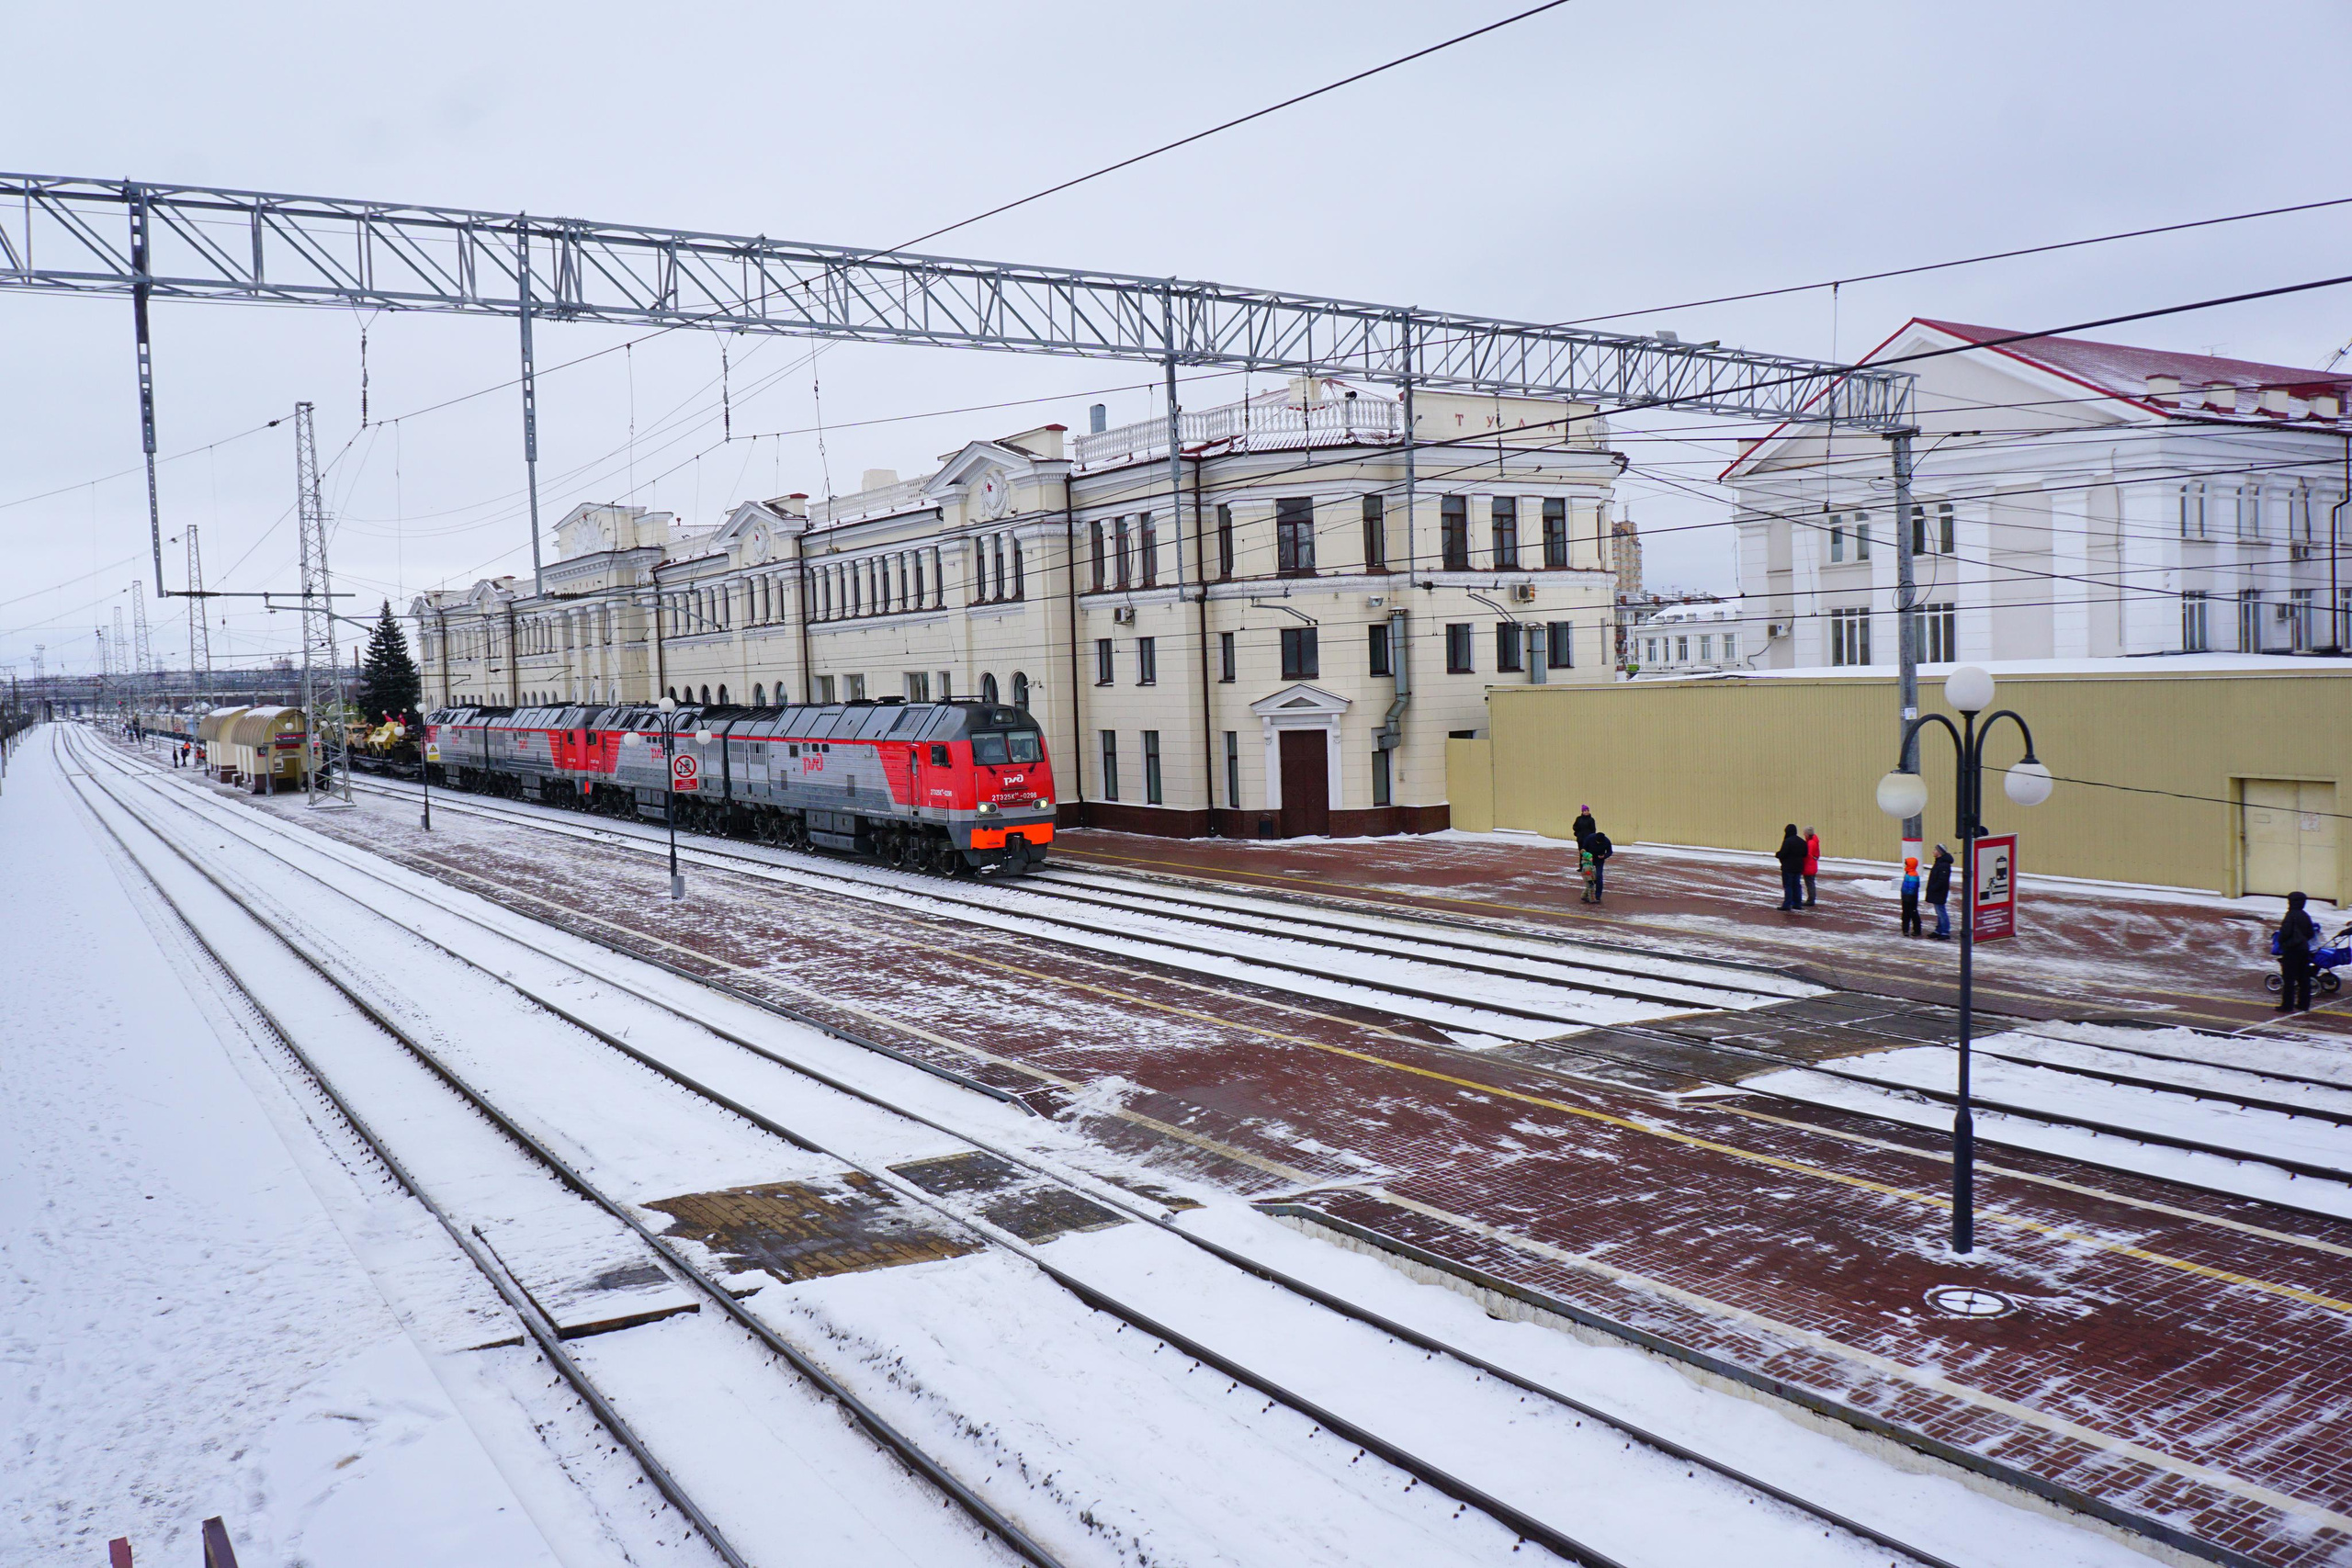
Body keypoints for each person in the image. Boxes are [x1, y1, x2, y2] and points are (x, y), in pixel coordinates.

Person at [2277, 891, 2318, 1012]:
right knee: (2303, 978)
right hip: (2304, 949)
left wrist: (2282, 941)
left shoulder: (2290, 915)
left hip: (2291, 950)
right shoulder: (2305, 915)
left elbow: (2285, 933)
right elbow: (2310, 933)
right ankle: (2303, 1004)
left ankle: (2287, 1005)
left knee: (2289, 979)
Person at [1775, 824, 1807, 910]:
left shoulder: (1787, 841)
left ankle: (1787, 904)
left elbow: (1783, 853)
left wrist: (1778, 854)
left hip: (1788, 867)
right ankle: (1798, 903)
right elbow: (1805, 853)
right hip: (1799, 867)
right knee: (1797, 885)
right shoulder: (1802, 841)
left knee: (1788, 886)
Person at [1925, 844, 1954, 939]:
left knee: (1941, 911)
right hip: (1937, 891)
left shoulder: (1944, 865)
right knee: (1939, 911)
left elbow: (1942, 880)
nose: (1933, 851)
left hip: (1939, 892)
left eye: (1935, 850)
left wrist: (1934, 887)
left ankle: (1945, 931)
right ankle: (1939, 929)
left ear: (1939, 852)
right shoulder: (1939, 862)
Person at [1584, 825, 1613, 904]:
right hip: (1589, 860)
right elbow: (1583, 849)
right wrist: (1587, 857)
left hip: (1599, 860)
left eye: (1600, 842)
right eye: (1597, 842)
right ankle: (1586, 895)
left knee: (1599, 876)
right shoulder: (1590, 838)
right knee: (1589, 877)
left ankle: (1597, 896)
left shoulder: (1607, 841)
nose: (1598, 843)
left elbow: (1610, 852)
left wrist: (1604, 856)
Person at [1900, 856, 1922, 937]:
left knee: (1909, 913)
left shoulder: (1912, 875)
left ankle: (1909, 929)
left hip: (1909, 898)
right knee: (1910, 913)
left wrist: (1906, 895)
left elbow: (1912, 888)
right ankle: (1911, 929)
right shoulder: (1910, 873)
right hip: (1909, 897)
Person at [1803, 826, 1823, 908]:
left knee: (1809, 883)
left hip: (1809, 866)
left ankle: (1811, 899)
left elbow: (1807, 855)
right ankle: (1811, 898)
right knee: (1811, 883)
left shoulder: (1810, 843)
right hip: (1812, 865)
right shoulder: (1814, 842)